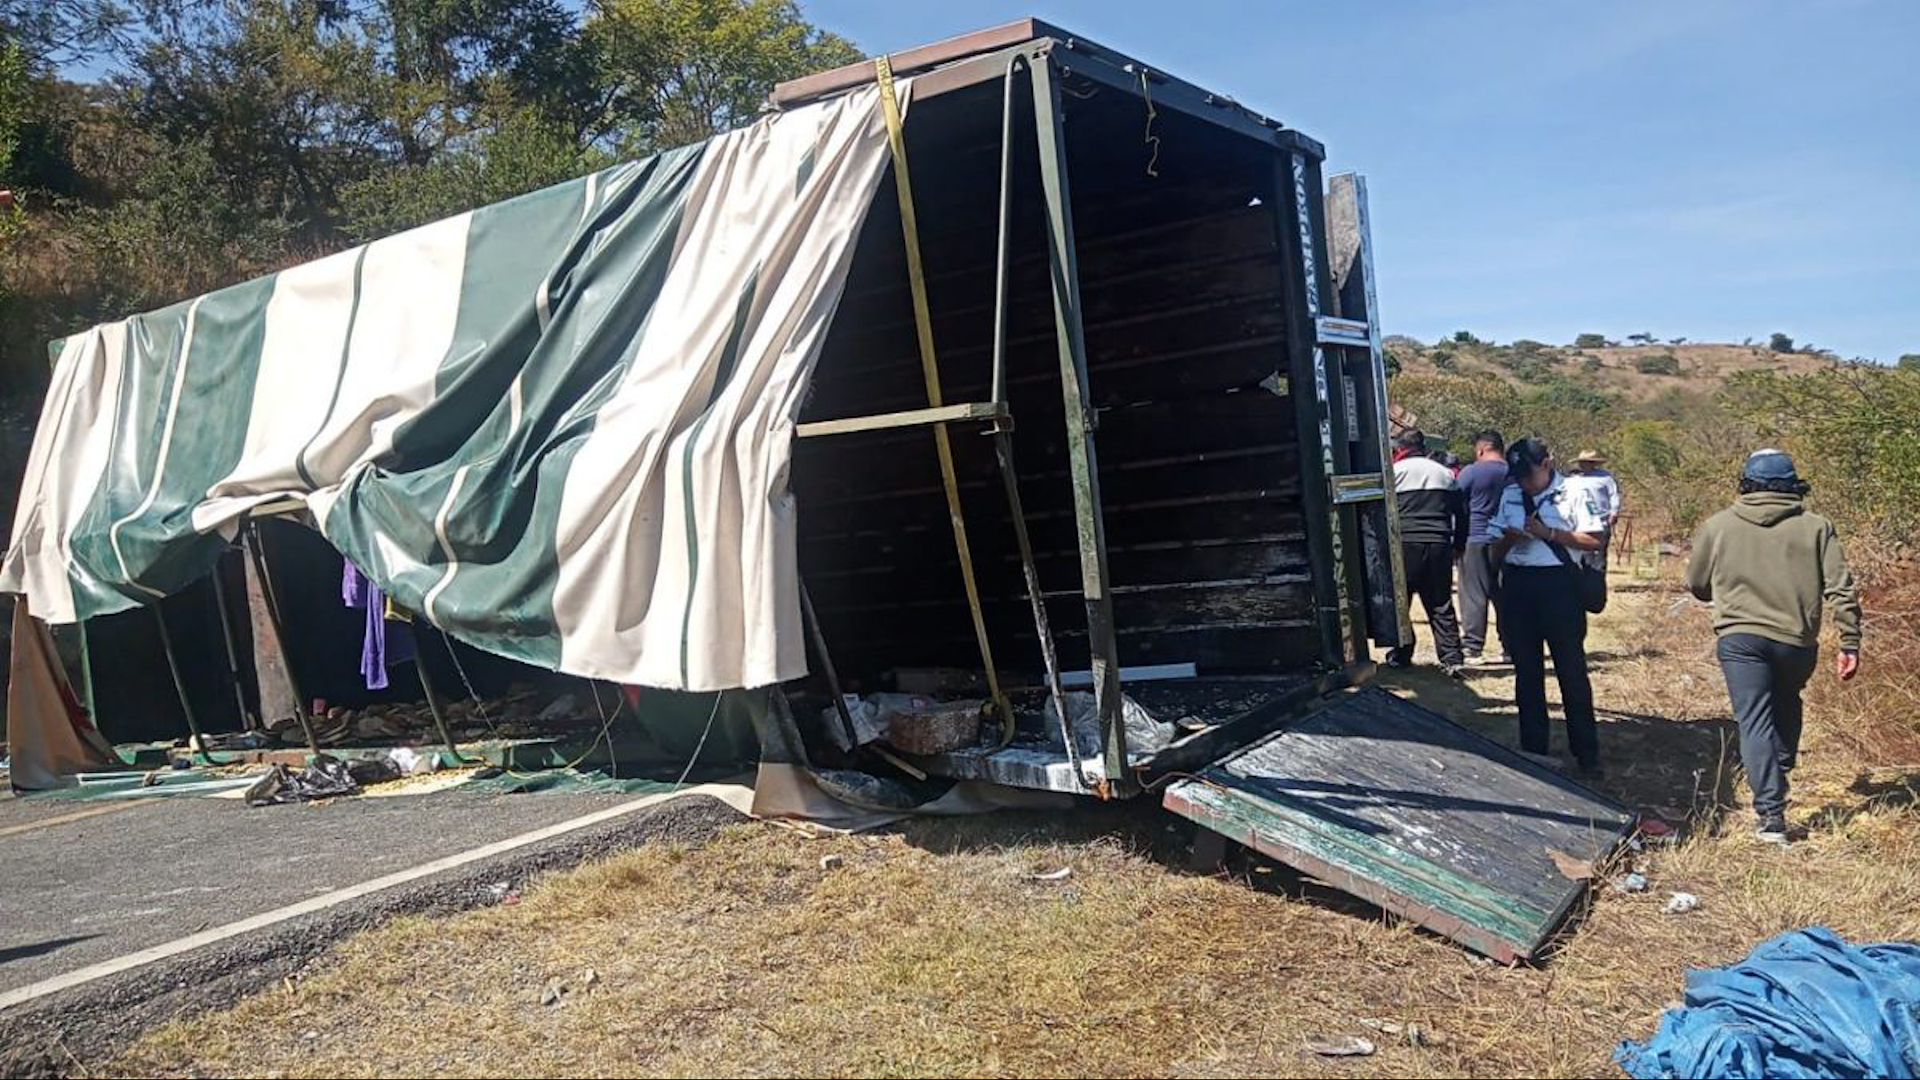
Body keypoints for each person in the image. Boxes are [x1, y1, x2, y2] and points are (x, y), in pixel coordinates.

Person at [1685, 449, 1862, 846]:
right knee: (1787, 699)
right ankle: (1778, 770)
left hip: (1740, 638)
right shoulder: (1818, 527)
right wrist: (1850, 640)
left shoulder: (1719, 525)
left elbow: (1697, 584)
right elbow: (1840, 588)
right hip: (1796, 640)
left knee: (1753, 720)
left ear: (1746, 483)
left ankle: (1771, 815)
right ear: (1793, 484)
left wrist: (1729, 592)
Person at [1489, 438, 1608, 775]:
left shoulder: (1574, 492)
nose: (1524, 482)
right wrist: (1510, 538)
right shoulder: (1511, 493)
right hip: (1518, 583)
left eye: (1528, 474)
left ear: (1547, 464)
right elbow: (1494, 548)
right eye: (1519, 475)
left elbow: (1593, 539)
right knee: (1526, 672)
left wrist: (1549, 533)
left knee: (1570, 670)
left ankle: (1587, 753)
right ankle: (1533, 750)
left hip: (1560, 585)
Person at [1389, 428, 1467, 676]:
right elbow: (1462, 513)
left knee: (1402, 601)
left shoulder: (1394, 472)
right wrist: (1459, 545)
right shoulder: (1444, 473)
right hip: (1438, 542)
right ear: (1424, 447)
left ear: (1401, 448)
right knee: (1440, 601)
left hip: (1404, 542)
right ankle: (1452, 658)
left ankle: (1401, 654)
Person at [1456, 430, 1509, 666]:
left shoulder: (1471, 472)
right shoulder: (1514, 474)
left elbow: (1455, 502)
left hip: (1475, 537)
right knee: (1506, 594)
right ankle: (1510, 647)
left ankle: (1472, 646)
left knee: (1473, 593)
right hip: (1508, 540)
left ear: (1481, 450)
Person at [1567, 450, 1622, 528]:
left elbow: (1613, 495)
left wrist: (1614, 513)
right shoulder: (1574, 478)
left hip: (1602, 520)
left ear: (1592, 463)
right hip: (1579, 520)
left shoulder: (1605, 477)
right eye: (1581, 462)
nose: (1581, 464)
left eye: (1585, 462)